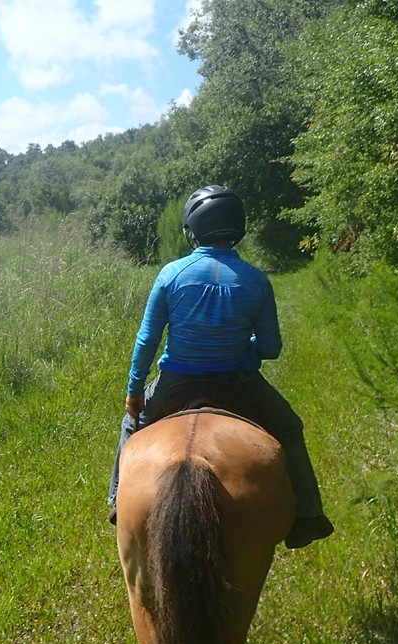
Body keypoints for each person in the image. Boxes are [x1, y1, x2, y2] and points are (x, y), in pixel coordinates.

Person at [107, 185, 334, 549]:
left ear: (193, 229)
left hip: (176, 380)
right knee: (290, 428)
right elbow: (272, 348)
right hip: (238, 379)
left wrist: (135, 392)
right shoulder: (256, 280)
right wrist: (244, 349)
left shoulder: (171, 274)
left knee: (130, 426)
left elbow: (147, 340)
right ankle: (307, 515)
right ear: (237, 228)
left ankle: (119, 502)